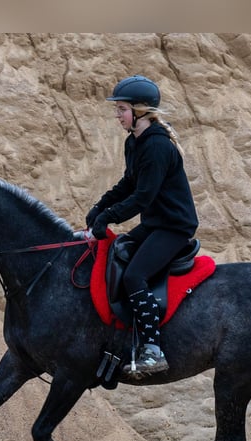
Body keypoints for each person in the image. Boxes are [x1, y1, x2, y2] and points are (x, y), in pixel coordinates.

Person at [86, 75, 199, 376]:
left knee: (134, 276)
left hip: (173, 227)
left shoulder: (157, 147)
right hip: (155, 224)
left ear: (140, 111)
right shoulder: (134, 143)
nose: (117, 116)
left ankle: (153, 349)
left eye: (121, 109)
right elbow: (128, 184)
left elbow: (143, 197)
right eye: (118, 109)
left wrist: (108, 217)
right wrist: (100, 206)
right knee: (117, 254)